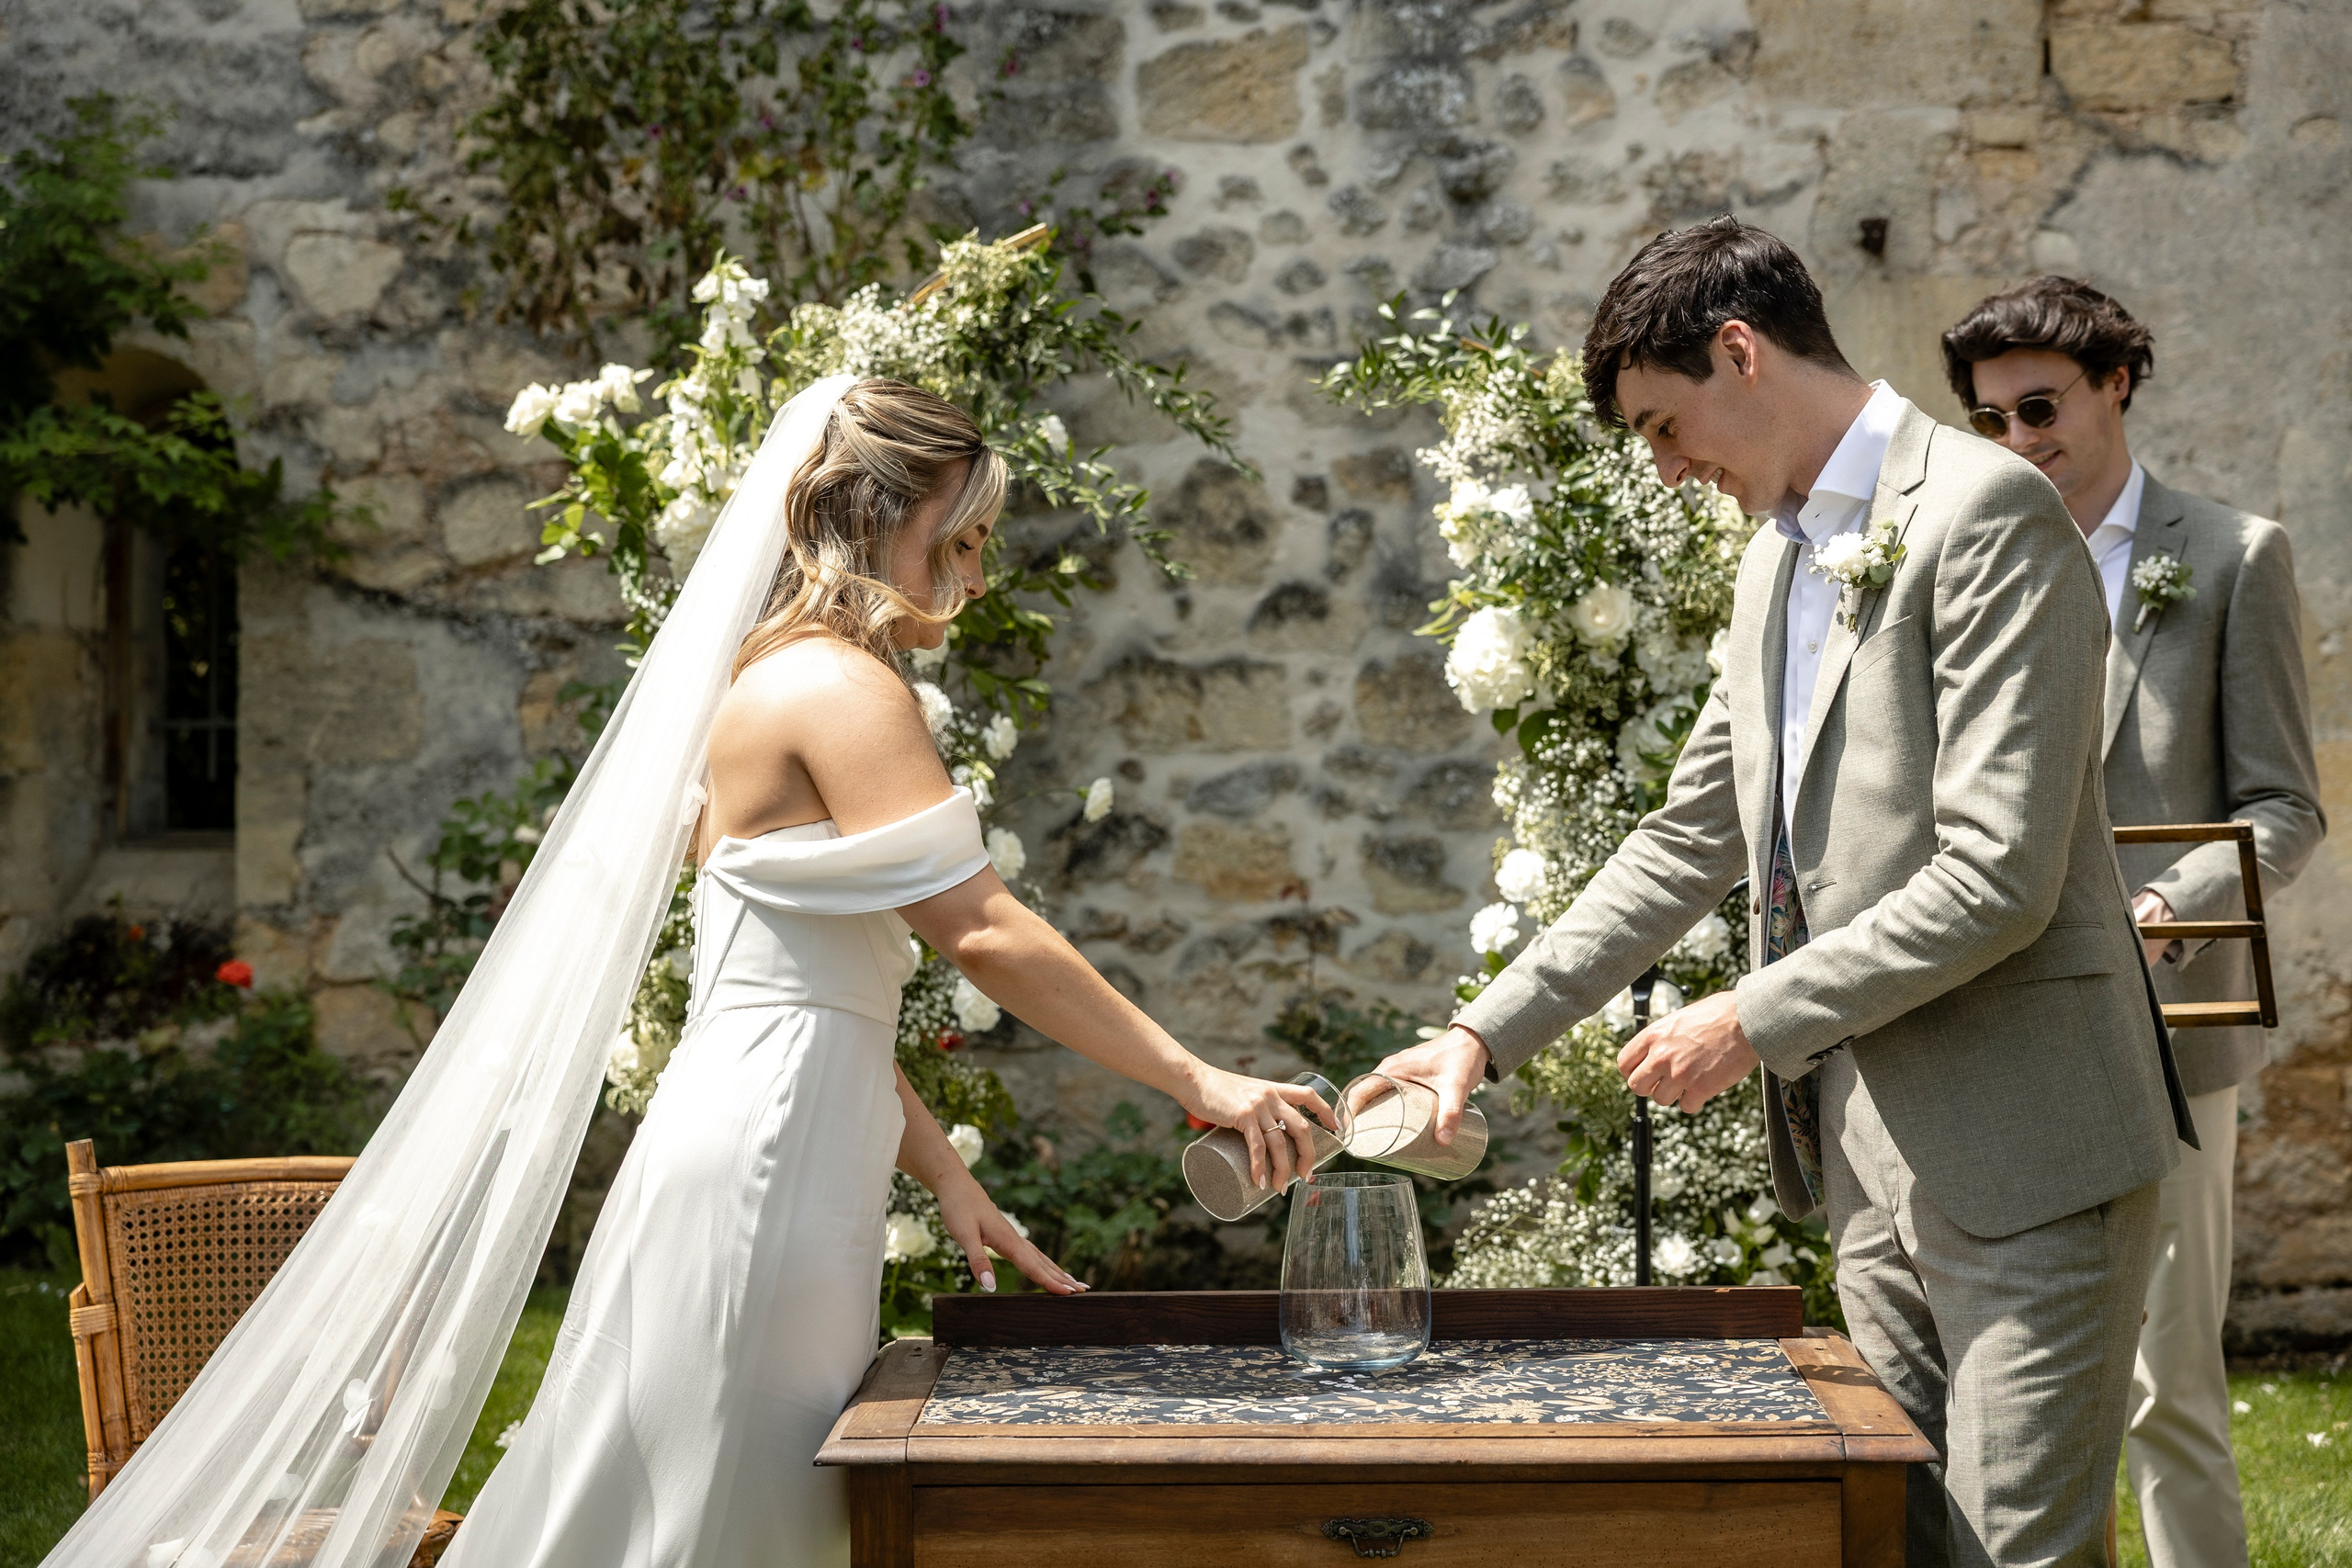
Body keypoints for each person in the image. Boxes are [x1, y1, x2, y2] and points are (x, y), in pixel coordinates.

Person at [40, 377, 1332, 1568]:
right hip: (765, 1167)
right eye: (960, 537)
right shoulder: (837, 684)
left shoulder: (783, 676)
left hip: (777, 1140)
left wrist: (941, 1170)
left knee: (712, 1498)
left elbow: (800, 993)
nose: (976, 573)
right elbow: (981, 929)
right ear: (869, 517)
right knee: (720, 1509)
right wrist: (1196, 1075)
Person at [1368, 218, 2197, 1568]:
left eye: (1661, 423)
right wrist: (1482, 1033)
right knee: (1898, 1547)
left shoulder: (1988, 516)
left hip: (2036, 1156)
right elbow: (1690, 834)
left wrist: (1750, 1016)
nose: (1665, 465)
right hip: (1869, 1162)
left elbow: (1999, 878)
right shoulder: (1775, 558)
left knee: (2018, 1557)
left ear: (1739, 352)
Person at [1941, 277, 2324, 1568]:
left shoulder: (2230, 556)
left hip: (2169, 1023)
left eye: (2039, 407)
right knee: (2015, 1388)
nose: (2018, 442)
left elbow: (2285, 806)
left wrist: (2180, 901)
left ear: (2117, 383)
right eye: (1989, 421)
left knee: (2169, 1387)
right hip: (1988, 1020)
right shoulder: (1966, 558)